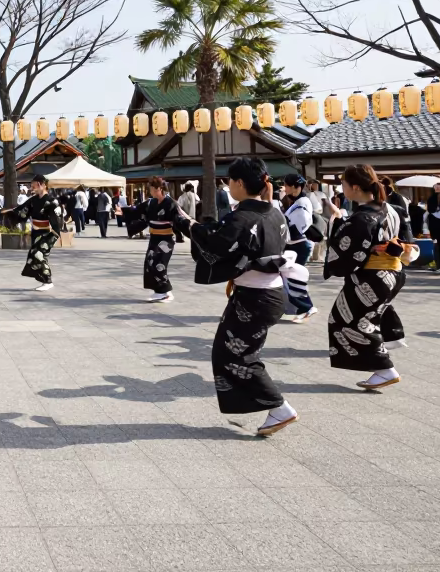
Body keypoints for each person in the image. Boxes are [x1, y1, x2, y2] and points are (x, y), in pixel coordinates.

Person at [190, 157, 300, 436]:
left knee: (234, 356)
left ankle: (279, 407)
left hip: (255, 297)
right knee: (235, 353)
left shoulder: (243, 216)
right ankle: (274, 407)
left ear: (239, 183)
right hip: (266, 293)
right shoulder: (274, 213)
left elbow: (217, 245)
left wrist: (193, 228)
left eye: (230, 181)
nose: (228, 186)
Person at [324, 163, 418, 391]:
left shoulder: (362, 218)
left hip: (372, 276)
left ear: (355, 187)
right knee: (361, 319)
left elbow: (346, 249)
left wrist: (335, 220)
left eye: (344, 184)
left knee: (348, 321)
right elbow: (407, 240)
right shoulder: (391, 209)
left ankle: (385, 369)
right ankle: (384, 362)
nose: (342, 188)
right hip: (392, 273)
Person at [131, 177, 191, 303]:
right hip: (154, 238)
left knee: (159, 264)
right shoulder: (150, 203)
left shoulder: (171, 203)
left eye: (152, 189)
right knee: (149, 263)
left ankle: (166, 293)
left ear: (159, 188)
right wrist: (125, 212)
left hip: (166, 239)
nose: (150, 191)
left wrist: (193, 228)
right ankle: (160, 291)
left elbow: (182, 217)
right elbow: (137, 211)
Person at [3, 174, 63, 292]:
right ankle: (45, 281)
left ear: (41, 184)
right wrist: (10, 212)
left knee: (38, 254)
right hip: (36, 233)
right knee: (34, 256)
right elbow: (22, 210)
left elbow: (58, 220)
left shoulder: (52, 201)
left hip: (49, 233)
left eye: (33, 185)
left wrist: (55, 233)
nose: (32, 188)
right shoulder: (33, 200)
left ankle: (48, 280)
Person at [281, 174, 318, 323]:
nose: (285, 188)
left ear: (296, 187)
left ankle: (307, 307)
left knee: (293, 278)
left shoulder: (302, 202)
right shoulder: (298, 201)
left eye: (287, 185)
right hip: (296, 244)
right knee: (290, 277)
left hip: (299, 245)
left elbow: (301, 224)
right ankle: (299, 307)